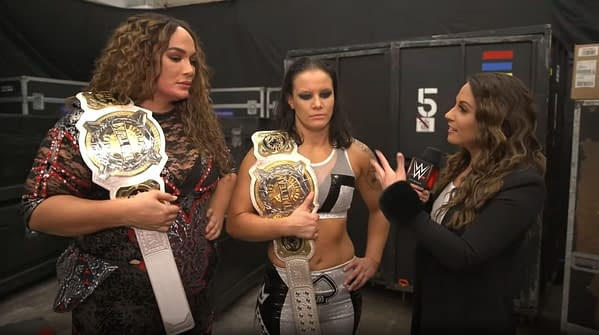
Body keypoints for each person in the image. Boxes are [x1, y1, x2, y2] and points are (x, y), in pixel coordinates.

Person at [21, 13, 236, 335]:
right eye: (175, 57)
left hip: (196, 291)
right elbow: (37, 210)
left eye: (193, 60)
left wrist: (217, 207)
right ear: (140, 57)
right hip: (118, 301)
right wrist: (125, 211)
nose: (190, 70)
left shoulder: (197, 121)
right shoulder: (86, 125)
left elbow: (226, 170)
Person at [371, 72, 546, 335]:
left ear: (494, 120)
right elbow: (445, 228)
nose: (448, 115)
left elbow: (466, 253)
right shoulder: (459, 165)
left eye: (462, 109)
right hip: (432, 309)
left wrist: (403, 203)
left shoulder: (523, 184)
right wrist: (425, 204)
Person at [226, 56, 389, 334]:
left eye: (325, 94)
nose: (317, 104)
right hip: (285, 289)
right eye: (306, 95)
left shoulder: (357, 154)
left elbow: (381, 208)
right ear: (290, 100)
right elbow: (236, 222)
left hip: (342, 290)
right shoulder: (264, 154)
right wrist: (284, 225)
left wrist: (372, 259)